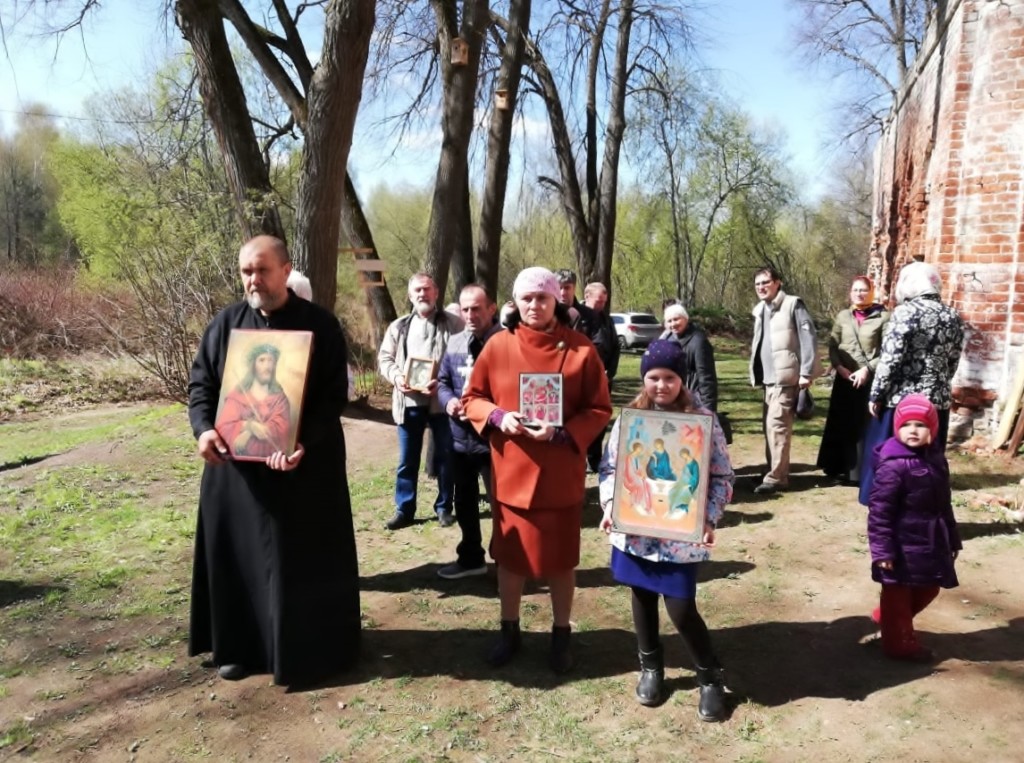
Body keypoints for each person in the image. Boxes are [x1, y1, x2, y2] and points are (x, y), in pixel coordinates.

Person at [187, 235, 360, 687]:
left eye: (262, 270)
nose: (254, 280)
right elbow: (201, 387)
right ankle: (238, 648)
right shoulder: (224, 325)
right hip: (237, 471)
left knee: (302, 560)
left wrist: (305, 441)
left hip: (305, 467)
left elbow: (332, 396)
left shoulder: (321, 325)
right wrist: (203, 429)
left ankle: (312, 648)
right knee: (240, 557)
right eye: (247, 271)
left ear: (285, 271)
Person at [463, 266, 612, 673]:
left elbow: (599, 408)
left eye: (542, 298)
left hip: (559, 473)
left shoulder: (581, 348)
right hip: (512, 473)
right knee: (510, 560)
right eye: (526, 298)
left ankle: (561, 634)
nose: (534, 305)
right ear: (515, 302)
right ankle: (508, 630)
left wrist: (562, 433)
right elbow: (472, 398)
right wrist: (498, 417)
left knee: (561, 562)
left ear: (555, 300)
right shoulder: (498, 346)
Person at [599, 340, 735, 721]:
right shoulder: (630, 419)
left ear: (682, 379)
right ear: (644, 378)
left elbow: (722, 476)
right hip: (636, 530)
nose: (661, 385)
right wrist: (610, 506)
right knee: (641, 596)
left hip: (679, 535)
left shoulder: (702, 422)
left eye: (670, 378)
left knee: (681, 607)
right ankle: (651, 667)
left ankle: (709, 676)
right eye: (654, 377)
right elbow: (611, 468)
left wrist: (709, 518)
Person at [860, 261, 964, 504]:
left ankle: (885, 503)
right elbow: (953, 360)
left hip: (902, 403)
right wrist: (938, 385)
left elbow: (891, 359)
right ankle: (923, 504)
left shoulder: (905, 313)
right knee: (928, 459)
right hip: (936, 403)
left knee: (892, 458)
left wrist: (876, 394)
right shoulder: (953, 316)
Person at [867, 394, 961, 662]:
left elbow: (945, 504)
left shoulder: (936, 458)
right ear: (897, 428)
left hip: (930, 541)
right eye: (906, 425)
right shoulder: (893, 466)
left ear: (933, 429)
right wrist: (883, 551)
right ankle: (899, 646)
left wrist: (953, 538)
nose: (913, 430)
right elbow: (880, 513)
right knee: (898, 594)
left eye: (920, 425)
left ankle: (887, 618)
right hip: (900, 545)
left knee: (930, 587)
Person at [378, 273, 463, 530]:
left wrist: (445, 382)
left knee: (446, 457)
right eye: (417, 290)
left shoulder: (454, 324)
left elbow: (465, 358)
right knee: (407, 459)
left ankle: (444, 507)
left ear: (436, 292)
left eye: (427, 289)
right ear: (410, 295)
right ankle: (404, 509)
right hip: (409, 402)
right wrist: (397, 378)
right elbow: (385, 358)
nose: (422, 294)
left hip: (442, 402)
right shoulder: (399, 326)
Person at [435, 284, 502, 579]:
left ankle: (506, 562)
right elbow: (442, 381)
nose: (471, 315)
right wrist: (448, 402)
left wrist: (485, 411)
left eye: (477, 308)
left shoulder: (507, 342)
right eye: (465, 309)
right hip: (460, 438)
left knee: (502, 503)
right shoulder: (455, 341)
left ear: (492, 308)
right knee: (463, 500)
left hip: (494, 439)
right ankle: (471, 557)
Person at [748, 267, 820, 494]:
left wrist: (806, 372)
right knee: (769, 427)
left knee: (777, 426)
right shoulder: (760, 309)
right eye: (758, 284)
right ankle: (773, 470)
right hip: (767, 380)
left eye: (765, 282)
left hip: (786, 378)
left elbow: (808, 338)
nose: (761, 287)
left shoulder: (793, 304)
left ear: (777, 282)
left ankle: (777, 478)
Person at [816, 276, 889, 485]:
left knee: (861, 425)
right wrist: (838, 367)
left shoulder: (884, 317)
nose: (859, 294)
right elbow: (833, 345)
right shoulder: (843, 316)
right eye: (856, 290)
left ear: (871, 292)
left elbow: (887, 350)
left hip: (867, 380)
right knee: (840, 423)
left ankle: (857, 473)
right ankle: (835, 467)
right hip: (844, 378)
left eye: (864, 290)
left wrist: (867, 369)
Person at [216, 343, 291, 458]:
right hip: (238, 464)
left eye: (271, 360)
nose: (267, 366)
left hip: (273, 462)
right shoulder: (237, 396)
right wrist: (248, 425)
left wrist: (249, 432)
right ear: (253, 365)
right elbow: (224, 427)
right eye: (262, 360)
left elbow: (282, 428)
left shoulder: (279, 398)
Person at [583, 281, 621, 471]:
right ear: (587, 296)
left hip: (604, 379)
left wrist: (609, 372)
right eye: (598, 301)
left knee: (601, 418)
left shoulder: (607, 320)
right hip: (584, 379)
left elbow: (615, 347)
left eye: (604, 302)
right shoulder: (578, 317)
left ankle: (595, 458)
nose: (601, 306)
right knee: (584, 419)